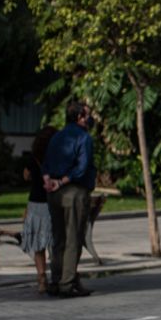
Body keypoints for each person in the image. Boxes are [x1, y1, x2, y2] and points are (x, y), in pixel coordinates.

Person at [43, 101, 97, 297]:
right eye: (87, 115)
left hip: (53, 193)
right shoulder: (83, 137)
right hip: (74, 191)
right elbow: (82, 168)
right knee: (73, 237)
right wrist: (64, 181)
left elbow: (46, 162)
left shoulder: (57, 136)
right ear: (80, 117)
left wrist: (49, 180)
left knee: (58, 237)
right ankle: (67, 283)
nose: (90, 118)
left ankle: (57, 279)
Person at [22, 126, 55, 294]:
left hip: (35, 203)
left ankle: (42, 278)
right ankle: (57, 275)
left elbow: (25, 176)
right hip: (51, 203)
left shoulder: (32, 159)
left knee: (38, 244)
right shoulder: (56, 158)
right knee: (53, 242)